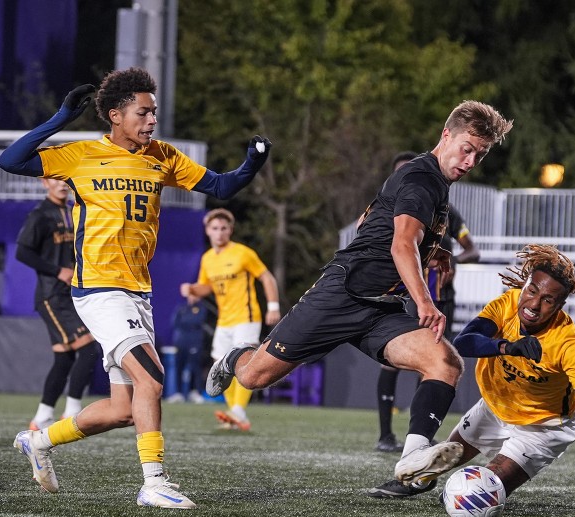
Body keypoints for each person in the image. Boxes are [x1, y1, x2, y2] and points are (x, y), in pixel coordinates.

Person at [0, 67, 271, 508]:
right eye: (143, 113)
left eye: (154, 112)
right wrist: (59, 120)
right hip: (99, 290)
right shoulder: (81, 154)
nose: (151, 121)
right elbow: (9, 161)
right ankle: (154, 482)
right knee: (153, 379)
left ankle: (40, 441)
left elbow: (221, 186)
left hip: (137, 291)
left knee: (124, 409)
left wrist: (252, 162)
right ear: (115, 115)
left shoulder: (162, 155)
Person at [206, 100, 512, 490]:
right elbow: (401, 245)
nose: (470, 161)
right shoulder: (423, 180)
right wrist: (424, 301)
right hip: (341, 295)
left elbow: (374, 222)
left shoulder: (437, 189)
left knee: (446, 362)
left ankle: (412, 466)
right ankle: (236, 357)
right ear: (446, 136)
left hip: (380, 308)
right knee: (253, 378)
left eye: (480, 155)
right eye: (467, 149)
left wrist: (435, 251)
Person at [367, 245, 575, 503]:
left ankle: (473, 492)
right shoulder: (507, 304)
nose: (534, 304)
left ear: (560, 305)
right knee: (432, 467)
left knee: (479, 493)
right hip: (496, 405)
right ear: (524, 286)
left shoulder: (568, 344)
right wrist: (506, 346)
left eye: (548, 300)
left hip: (542, 425)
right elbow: (464, 342)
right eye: (532, 290)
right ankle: (421, 482)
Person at [374, 151, 480, 453]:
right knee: (390, 364)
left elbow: (473, 251)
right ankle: (384, 435)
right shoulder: (388, 209)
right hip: (406, 295)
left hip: (442, 299)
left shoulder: (447, 210)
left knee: (436, 362)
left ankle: (417, 437)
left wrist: (450, 259)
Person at [180, 208, 280, 431]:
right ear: (207, 231)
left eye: (224, 228)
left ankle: (238, 411)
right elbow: (207, 287)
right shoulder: (207, 258)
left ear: (230, 230)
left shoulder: (243, 253)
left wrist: (273, 307)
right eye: (215, 228)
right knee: (221, 367)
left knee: (243, 363)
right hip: (224, 320)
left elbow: (267, 277)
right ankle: (237, 415)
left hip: (246, 316)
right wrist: (193, 290)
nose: (219, 232)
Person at [15, 178, 99, 430]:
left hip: (73, 294)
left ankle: (41, 417)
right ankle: (72, 412)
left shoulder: (76, 210)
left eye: (65, 179)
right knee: (88, 349)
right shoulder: (40, 215)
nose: (62, 184)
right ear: (44, 183)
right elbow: (23, 252)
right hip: (52, 296)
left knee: (64, 358)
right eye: (55, 179)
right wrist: (56, 270)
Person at [165, 295, 209, 404]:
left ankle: (195, 392)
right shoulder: (182, 308)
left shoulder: (202, 308)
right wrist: (189, 323)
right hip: (181, 342)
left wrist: (187, 322)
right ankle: (178, 393)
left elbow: (198, 320)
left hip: (195, 342)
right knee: (179, 367)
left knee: (195, 368)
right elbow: (175, 322)